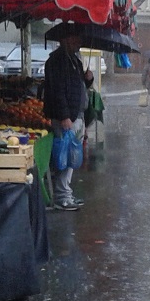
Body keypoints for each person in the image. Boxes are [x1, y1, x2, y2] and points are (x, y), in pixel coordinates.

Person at [43, 30, 89, 211]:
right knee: (64, 156)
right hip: (67, 117)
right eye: (75, 38)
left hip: (76, 115)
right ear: (65, 39)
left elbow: (77, 87)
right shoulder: (57, 61)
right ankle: (62, 196)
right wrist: (64, 116)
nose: (79, 42)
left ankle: (66, 193)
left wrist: (88, 80)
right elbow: (58, 90)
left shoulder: (74, 60)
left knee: (71, 157)